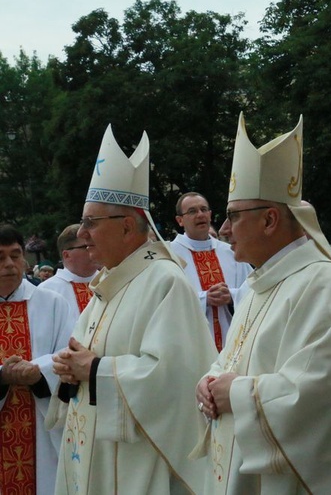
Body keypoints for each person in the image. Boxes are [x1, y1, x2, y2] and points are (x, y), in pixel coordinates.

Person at [193, 113, 331, 494]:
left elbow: (322, 397)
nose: (226, 229)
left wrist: (234, 392)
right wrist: (209, 380)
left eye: (234, 215)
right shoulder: (261, 284)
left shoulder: (323, 284)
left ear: (270, 220)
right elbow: (232, 360)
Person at [47, 124, 217, 494]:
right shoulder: (109, 284)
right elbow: (85, 354)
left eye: (91, 223)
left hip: (139, 461)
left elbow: (174, 379)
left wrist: (93, 369)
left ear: (127, 226)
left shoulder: (164, 281)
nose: (83, 234)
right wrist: (69, 369)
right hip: (94, 451)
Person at [0, 224, 76, 494]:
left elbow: (70, 354)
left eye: (15, 254)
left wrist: (38, 371)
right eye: (0, 257)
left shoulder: (53, 303)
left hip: (44, 433)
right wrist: (2, 376)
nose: (9, 264)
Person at [172, 191, 251, 351]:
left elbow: (254, 289)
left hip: (233, 342)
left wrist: (232, 296)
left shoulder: (231, 251)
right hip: (191, 345)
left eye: (203, 209)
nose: (200, 215)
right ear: (180, 220)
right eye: (192, 211)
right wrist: (204, 299)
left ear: (210, 214)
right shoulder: (170, 255)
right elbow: (166, 301)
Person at [38, 224, 99, 314]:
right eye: (86, 247)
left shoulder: (109, 281)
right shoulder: (46, 291)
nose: (94, 251)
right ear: (66, 255)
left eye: (94, 245)